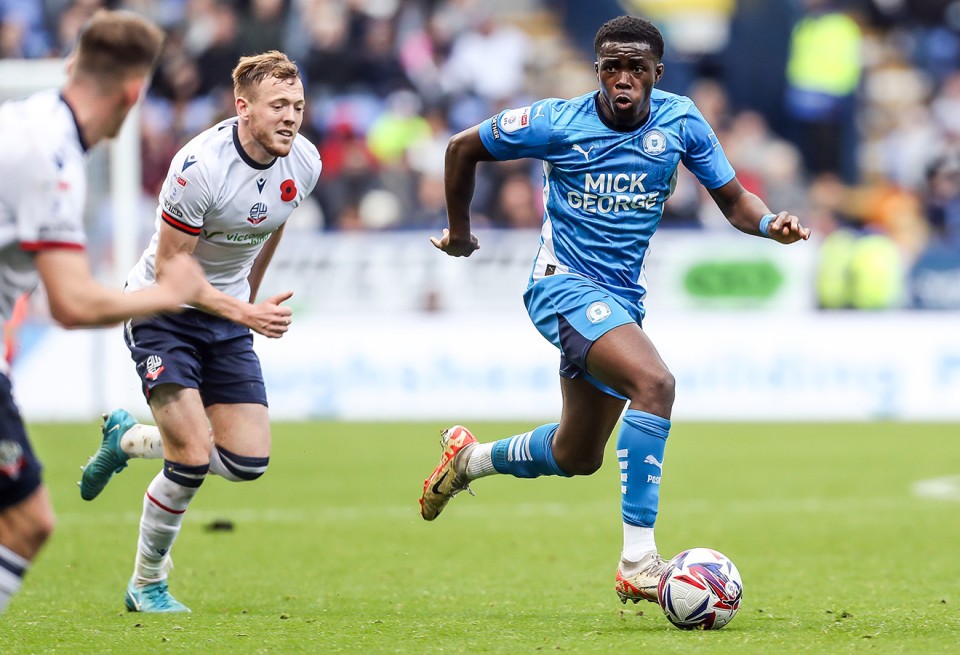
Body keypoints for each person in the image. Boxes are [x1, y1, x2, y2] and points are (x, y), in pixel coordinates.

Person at [419, 15, 810, 605]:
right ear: (597, 70)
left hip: (620, 300)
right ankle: (639, 561)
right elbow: (461, 147)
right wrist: (459, 231)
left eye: (635, 67)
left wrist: (767, 223)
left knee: (576, 455)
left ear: (657, 72)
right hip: (562, 286)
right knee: (655, 384)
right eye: (610, 67)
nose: (622, 78)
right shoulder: (556, 121)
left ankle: (469, 460)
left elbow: (732, 200)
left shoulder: (681, 121)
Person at [77, 50, 322, 613]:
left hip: (228, 314)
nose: (291, 117)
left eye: (299, 106)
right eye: (278, 105)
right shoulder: (199, 169)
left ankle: (129, 440)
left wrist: (249, 301)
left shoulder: (303, 161)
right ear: (243, 108)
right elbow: (171, 272)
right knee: (189, 459)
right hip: (162, 311)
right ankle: (147, 584)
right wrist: (245, 314)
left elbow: (272, 227)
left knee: (247, 462)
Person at [0, 10, 207, 617]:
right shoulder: (53, 158)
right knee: (26, 523)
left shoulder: (26, 121)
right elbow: (72, 303)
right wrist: (167, 293)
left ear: (71, 66)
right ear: (134, 93)